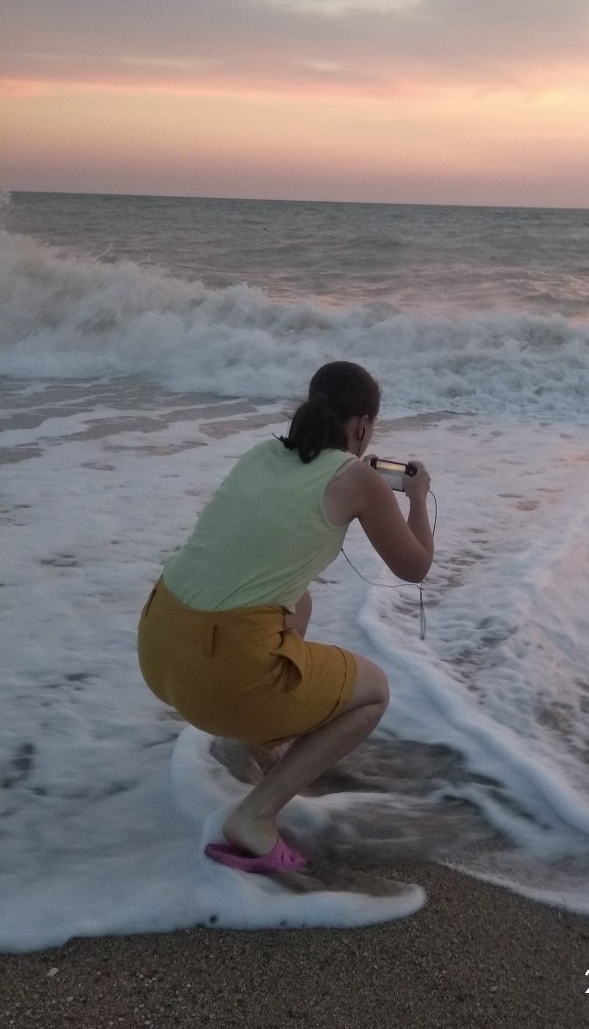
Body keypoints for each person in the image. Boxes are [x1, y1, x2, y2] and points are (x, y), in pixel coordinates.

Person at [137, 361, 433, 874]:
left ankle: (262, 741)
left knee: (300, 602)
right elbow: (416, 566)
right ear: (363, 426)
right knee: (375, 691)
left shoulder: (261, 453)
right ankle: (254, 816)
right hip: (217, 675)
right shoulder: (360, 479)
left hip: (159, 646)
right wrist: (418, 499)